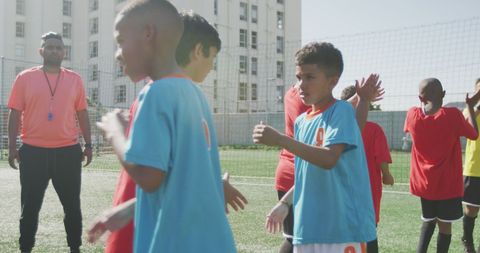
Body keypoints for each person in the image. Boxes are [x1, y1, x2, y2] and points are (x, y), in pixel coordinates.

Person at [87, 10, 246, 253]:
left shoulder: (156, 94)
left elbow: (149, 178)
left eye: (120, 42)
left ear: (148, 36)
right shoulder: (196, 97)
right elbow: (180, 181)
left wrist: (115, 132)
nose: (118, 55)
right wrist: (129, 209)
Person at [254, 42, 377, 252]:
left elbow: (329, 159)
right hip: (308, 230)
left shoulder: (341, 111)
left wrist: (281, 140)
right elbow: (305, 174)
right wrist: (284, 203)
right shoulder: (302, 122)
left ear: (332, 81)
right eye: (299, 77)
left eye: (310, 77)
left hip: (343, 231)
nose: (301, 84)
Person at [7, 32, 92, 253]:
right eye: (50, 47)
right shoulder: (25, 78)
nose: (55, 50)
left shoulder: (75, 79)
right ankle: (25, 248)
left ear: (64, 52)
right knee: (30, 207)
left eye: (58, 47)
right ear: (41, 51)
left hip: (67, 152)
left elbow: (82, 114)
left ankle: (75, 247)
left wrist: (89, 144)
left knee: (72, 206)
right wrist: (12, 147)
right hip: (33, 152)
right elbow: (15, 113)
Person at [404, 78, 480, 253]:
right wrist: (469, 106)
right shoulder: (452, 115)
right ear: (444, 94)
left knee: (428, 220)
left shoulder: (412, 114)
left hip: (424, 184)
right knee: (445, 227)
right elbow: (474, 134)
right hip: (447, 185)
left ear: (420, 98)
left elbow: (412, 125)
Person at [341, 85, 394, 253]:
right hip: (368, 192)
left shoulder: (338, 128)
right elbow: (381, 158)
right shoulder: (374, 129)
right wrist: (387, 175)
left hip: (341, 191)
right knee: (369, 232)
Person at [461, 78, 480, 253]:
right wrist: (474, 105)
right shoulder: (470, 110)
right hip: (474, 168)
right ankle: (467, 240)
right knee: (471, 209)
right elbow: (465, 120)